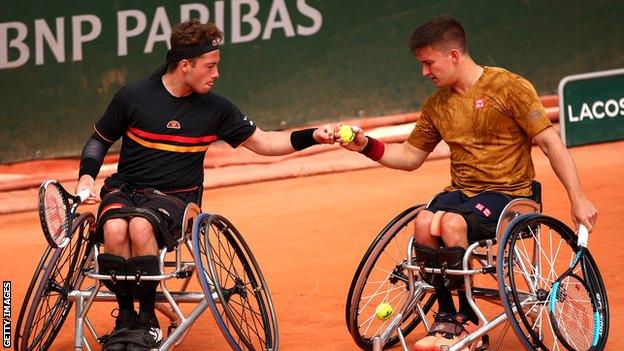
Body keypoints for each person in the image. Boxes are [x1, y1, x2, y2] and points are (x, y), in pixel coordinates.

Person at [337, 15, 598, 350]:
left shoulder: (509, 87)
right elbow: (409, 157)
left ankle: (467, 320)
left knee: (451, 223)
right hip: (462, 193)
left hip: (510, 196)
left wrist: (578, 198)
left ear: (454, 56)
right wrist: (364, 145)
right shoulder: (436, 105)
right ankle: (446, 318)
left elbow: (550, 142)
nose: (425, 72)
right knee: (424, 221)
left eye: (429, 63)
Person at [75, 19, 334, 350]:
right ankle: (127, 317)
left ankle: (148, 320)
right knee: (113, 231)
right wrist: (86, 176)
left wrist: (312, 136)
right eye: (210, 66)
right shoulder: (133, 97)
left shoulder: (217, 110)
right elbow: (98, 141)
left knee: (139, 228)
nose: (216, 74)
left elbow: (266, 143)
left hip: (175, 198)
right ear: (185, 65)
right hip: (125, 189)